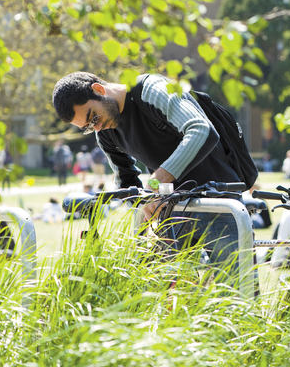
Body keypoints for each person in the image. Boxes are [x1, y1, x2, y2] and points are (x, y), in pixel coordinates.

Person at [52, 71, 245, 280]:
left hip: (219, 203)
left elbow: (201, 130)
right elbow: (126, 180)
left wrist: (155, 183)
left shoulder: (152, 90)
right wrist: (142, 206)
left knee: (236, 288)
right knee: (171, 292)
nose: (96, 127)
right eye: (88, 127)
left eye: (94, 117)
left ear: (99, 90)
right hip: (173, 214)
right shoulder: (105, 134)